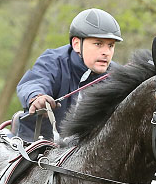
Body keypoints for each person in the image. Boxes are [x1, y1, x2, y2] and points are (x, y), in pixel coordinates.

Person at [14, 8, 123, 142]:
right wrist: (37, 97)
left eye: (110, 46)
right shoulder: (54, 61)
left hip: (87, 153)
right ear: (77, 44)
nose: (106, 52)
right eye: (98, 44)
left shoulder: (117, 76)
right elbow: (34, 81)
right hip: (36, 144)